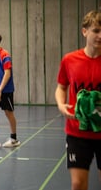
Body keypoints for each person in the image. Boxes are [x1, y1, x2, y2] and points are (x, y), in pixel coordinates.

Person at [55, 10, 101, 190]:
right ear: (84, 31)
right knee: (77, 184)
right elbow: (61, 86)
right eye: (96, 30)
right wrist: (60, 104)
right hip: (77, 132)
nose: (100, 35)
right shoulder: (70, 60)